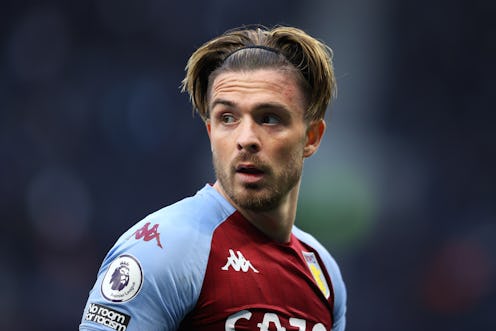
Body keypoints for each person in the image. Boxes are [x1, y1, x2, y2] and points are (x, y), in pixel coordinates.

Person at [80, 24, 347, 331]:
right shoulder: (163, 250)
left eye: (269, 118)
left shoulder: (323, 272)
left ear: (311, 137)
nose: (246, 138)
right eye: (227, 118)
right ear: (210, 132)